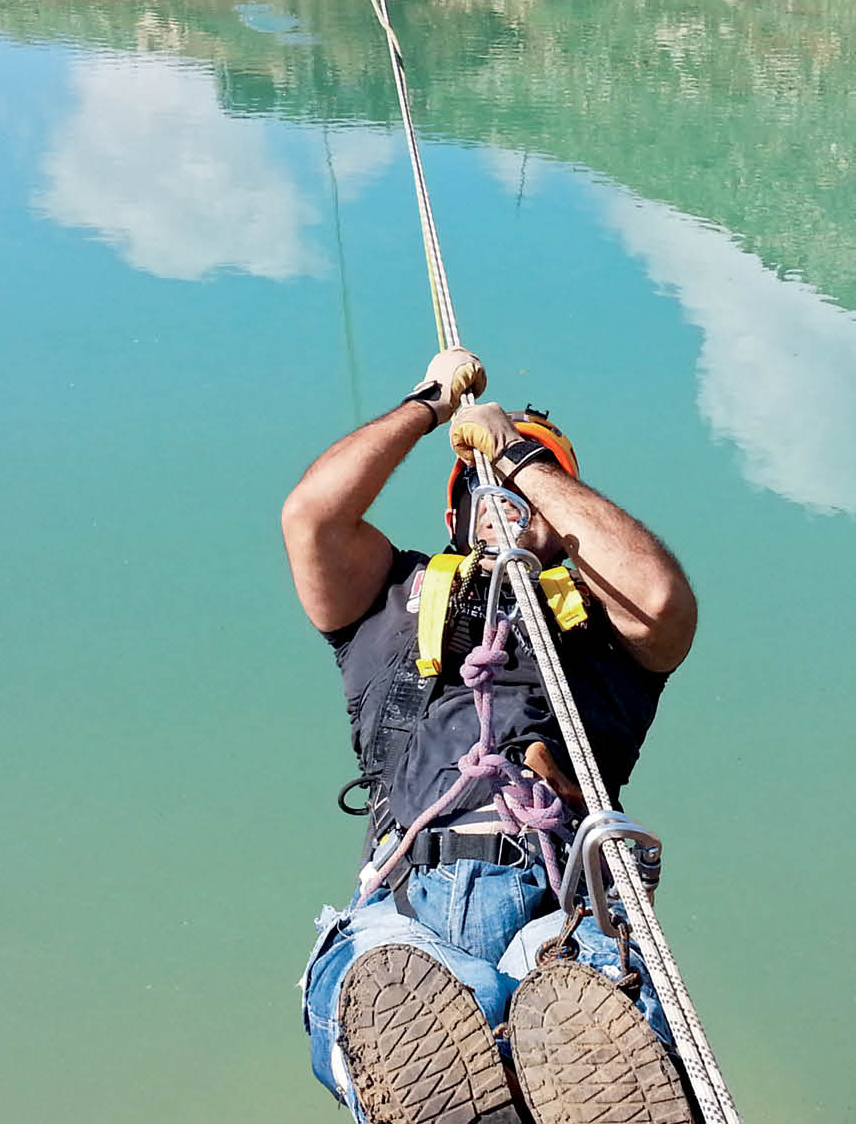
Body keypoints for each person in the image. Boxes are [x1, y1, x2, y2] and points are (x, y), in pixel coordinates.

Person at [283, 347, 701, 1124]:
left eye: (534, 484)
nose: (501, 493)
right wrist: (427, 405)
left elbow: (658, 595)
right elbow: (313, 516)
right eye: (479, 487)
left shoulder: (610, 635)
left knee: (593, 1014)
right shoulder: (386, 603)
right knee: (395, 995)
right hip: (411, 894)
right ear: (452, 517)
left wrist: (517, 456)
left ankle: (539, 1057)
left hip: (564, 901)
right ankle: (455, 1064)